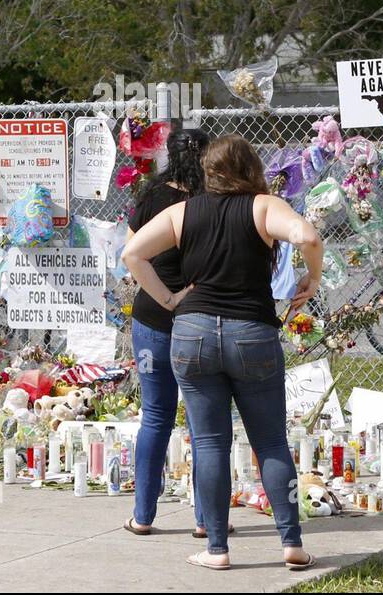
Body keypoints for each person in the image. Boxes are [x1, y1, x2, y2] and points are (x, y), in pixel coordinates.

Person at [122, 134, 322, 571]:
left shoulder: (182, 211)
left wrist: (169, 299)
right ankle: (291, 544)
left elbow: (132, 253)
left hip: (190, 333)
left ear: (209, 172)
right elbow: (307, 235)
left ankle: (216, 548)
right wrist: (313, 278)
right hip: (251, 332)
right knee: (270, 441)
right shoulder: (264, 206)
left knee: (209, 443)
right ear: (252, 168)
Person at [121, 127, 213, 537]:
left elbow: (131, 254)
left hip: (151, 317)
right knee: (202, 423)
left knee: (155, 417)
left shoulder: (151, 197)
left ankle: (143, 516)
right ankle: (205, 520)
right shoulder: (213, 203)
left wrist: (164, 296)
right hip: (198, 318)